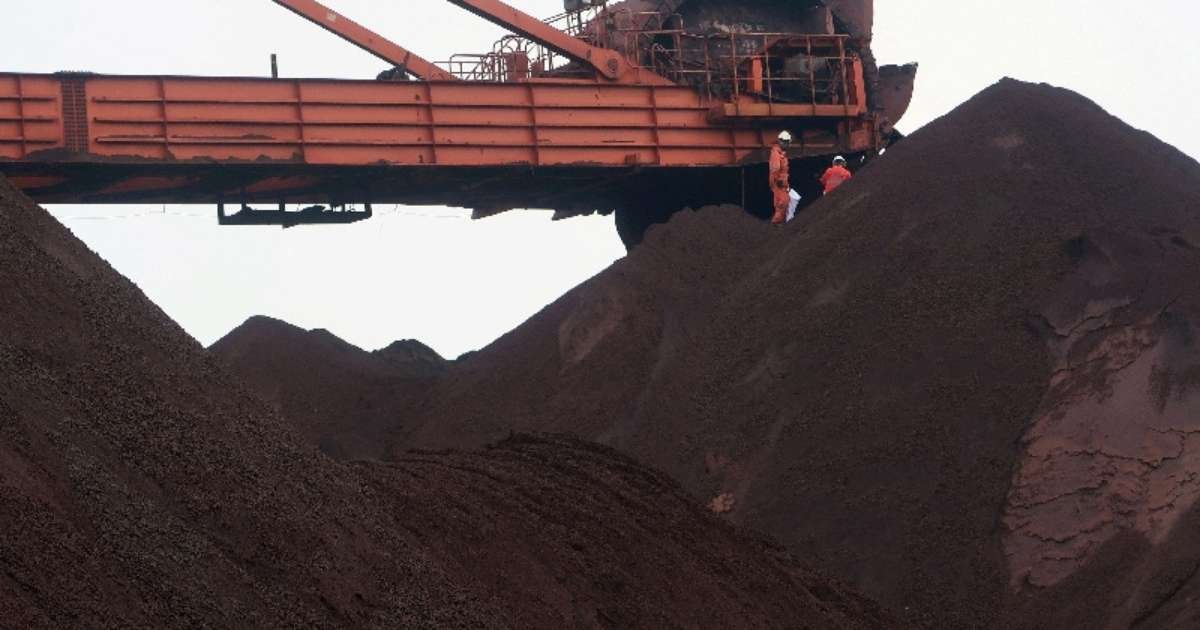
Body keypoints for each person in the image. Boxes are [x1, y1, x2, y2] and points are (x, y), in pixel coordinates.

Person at [769, 131, 792, 225]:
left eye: (787, 142)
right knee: (782, 202)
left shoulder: (780, 153)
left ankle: (780, 222)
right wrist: (778, 180)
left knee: (782, 202)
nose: (786, 144)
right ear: (780, 141)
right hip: (779, 182)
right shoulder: (776, 154)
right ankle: (776, 223)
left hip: (782, 182)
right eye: (785, 142)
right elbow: (775, 168)